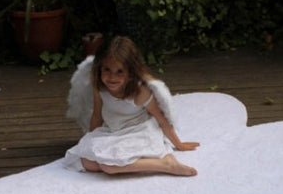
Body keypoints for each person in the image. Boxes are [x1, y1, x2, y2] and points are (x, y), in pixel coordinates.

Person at [64, 36, 200, 176]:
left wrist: (179, 144)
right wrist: (93, 142)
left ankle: (166, 164)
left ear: (131, 72)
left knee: (109, 167)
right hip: (113, 131)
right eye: (107, 70)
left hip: (138, 132)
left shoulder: (139, 91)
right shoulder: (100, 87)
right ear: (99, 68)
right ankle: (134, 162)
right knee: (86, 162)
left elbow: (161, 119)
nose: (112, 77)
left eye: (120, 71)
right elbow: (97, 116)